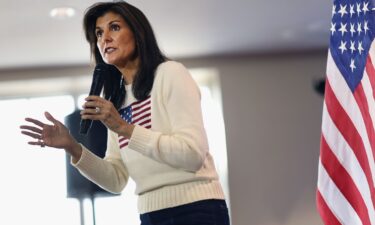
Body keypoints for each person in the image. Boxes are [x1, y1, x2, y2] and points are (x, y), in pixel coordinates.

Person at [20, 1, 230, 225]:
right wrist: (73, 147)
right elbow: (116, 179)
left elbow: (192, 155)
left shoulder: (170, 74)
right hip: (150, 214)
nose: (104, 38)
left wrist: (125, 128)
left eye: (115, 28)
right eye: (99, 33)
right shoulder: (117, 102)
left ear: (138, 33)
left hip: (196, 208)